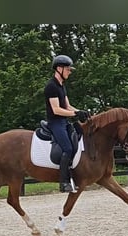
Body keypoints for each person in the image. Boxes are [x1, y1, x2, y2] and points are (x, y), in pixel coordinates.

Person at [44, 54, 90, 192]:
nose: (70, 72)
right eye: (68, 69)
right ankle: (63, 182)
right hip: (55, 122)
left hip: (63, 121)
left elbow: (68, 106)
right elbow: (57, 110)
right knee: (68, 148)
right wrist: (75, 114)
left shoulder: (61, 86)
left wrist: (81, 112)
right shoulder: (51, 86)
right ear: (59, 69)